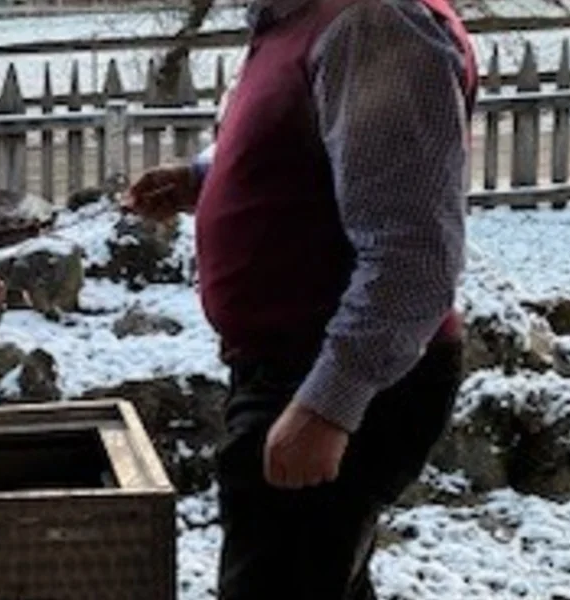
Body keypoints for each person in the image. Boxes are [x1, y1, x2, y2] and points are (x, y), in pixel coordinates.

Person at [124, 0, 477, 598]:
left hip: (328, 373)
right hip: (291, 367)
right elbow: (309, 141)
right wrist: (203, 178)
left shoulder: (373, 23)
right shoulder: (298, 19)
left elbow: (414, 255)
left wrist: (329, 405)